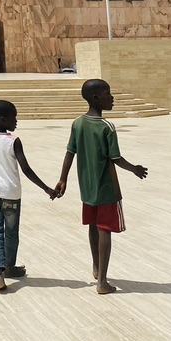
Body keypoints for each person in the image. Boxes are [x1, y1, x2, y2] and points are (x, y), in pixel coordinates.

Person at [55, 79, 148, 295]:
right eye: (108, 93)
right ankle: (103, 283)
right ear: (96, 98)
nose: (112, 97)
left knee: (93, 225)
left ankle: (96, 268)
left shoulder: (78, 123)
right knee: (105, 229)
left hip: (86, 187)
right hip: (106, 188)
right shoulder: (107, 127)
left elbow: (70, 152)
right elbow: (115, 157)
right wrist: (134, 169)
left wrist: (63, 179)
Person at [0, 99, 57, 293]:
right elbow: (26, 169)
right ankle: (9, 266)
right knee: (10, 233)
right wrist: (47, 189)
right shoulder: (14, 141)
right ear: (3, 119)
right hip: (11, 195)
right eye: (14, 117)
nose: (16, 121)